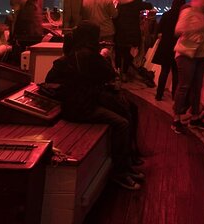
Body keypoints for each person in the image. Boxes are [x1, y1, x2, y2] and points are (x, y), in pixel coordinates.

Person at [45, 21, 144, 190]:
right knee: (122, 123)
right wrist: (105, 55)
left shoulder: (71, 54)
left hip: (73, 104)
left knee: (126, 112)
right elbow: (110, 75)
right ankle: (120, 172)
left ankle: (127, 163)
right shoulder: (90, 56)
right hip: (83, 108)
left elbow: (50, 79)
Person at [171, 0, 204, 133]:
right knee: (184, 86)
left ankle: (195, 117)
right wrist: (196, 29)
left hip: (201, 55)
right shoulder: (188, 12)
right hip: (186, 53)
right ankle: (176, 118)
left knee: (197, 87)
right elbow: (178, 29)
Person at [113, 0, 153, 81]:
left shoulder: (121, 2)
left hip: (120, 31)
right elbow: (149, 6)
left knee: (119, 51)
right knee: (127, 52)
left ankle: (118, 71)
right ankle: (125, 73)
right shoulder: (136, 2)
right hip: (131, 32)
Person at [152, 0, 186, 101]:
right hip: (178, 47)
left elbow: (159, 29)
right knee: (176, 73)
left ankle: (159, 95)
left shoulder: (166, 14)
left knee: (164, 71)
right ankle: (174, 97)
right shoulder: (183, 17)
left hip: (165, 46)